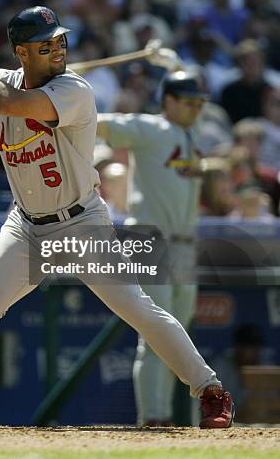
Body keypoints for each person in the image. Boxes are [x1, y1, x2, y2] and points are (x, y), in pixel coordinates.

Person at [0, 6, 234, 429]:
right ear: (22, 51)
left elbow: (9, 103)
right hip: (25, 226)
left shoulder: (73, 89)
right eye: (46, 44)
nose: (58, 49)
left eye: (60, 41)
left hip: (80, 224)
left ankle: (211, 391)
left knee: (140, 311)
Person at [97, 68, 213, 426]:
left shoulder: (191, 135)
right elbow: (97, 122)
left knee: (179, 335)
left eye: (199, 102)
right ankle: (155, 418)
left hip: (184, 244)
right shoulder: (148, 128)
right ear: (169, 101)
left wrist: (170, 60)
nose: (196, 108)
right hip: (148, 237)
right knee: (156, 332)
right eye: (189, 102)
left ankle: (185, 419)